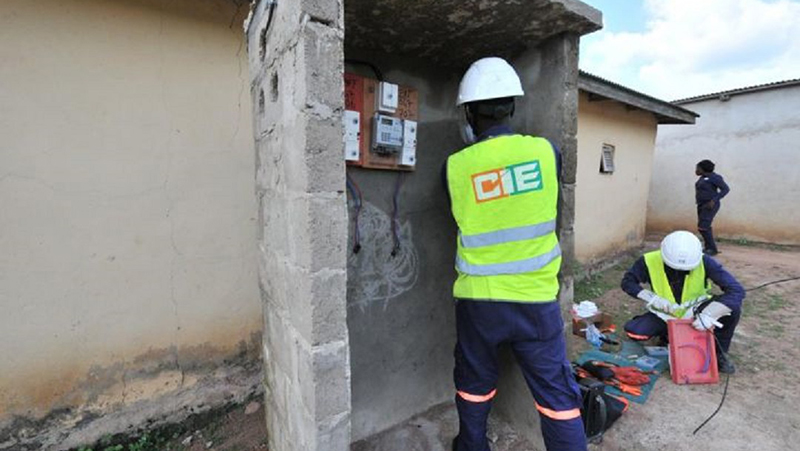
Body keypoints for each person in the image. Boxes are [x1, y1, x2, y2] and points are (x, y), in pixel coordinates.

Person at [445, 57, 586, 451]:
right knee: (557, 399)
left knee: (474, 384)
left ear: (469, 113)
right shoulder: (547, 153)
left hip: (479, 302)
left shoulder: (455, 167)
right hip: (534, 301)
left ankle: (470, 446)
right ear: (512, 106)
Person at [620, 231, 744, 374]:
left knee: (732, 311)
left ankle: (718, 354)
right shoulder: (648, 260)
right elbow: (628, 282)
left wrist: (710, 314)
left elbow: (736, 290)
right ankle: (668, 336)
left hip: (696, 310)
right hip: (665, 312)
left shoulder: (705, 261)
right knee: (635, 331)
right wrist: (651, 298)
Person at [695, 159, 729, 256]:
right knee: (704, 226)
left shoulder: (715, 178)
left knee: (703, 227)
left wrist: (714, 200)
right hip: (701, 204)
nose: (696, 170)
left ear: (703, 169)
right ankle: (709, 248)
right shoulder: (702, 177)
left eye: (698, 168)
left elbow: (725, 189)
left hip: (710, 205)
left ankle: (712, 249)